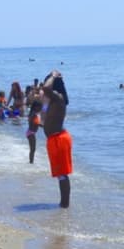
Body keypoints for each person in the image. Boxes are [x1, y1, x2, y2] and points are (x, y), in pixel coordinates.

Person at [40, 71, 71, 208]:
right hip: (54, 139)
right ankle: (63, 203)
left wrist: (52, 76)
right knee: (60, 174)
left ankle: (65, 204)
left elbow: (45, 88)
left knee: (62, 174)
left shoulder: (59, 97)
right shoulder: (54, 100)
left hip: (59, 139)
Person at [25, 98, 42, 164]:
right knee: (33, 149)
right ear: (36, 107)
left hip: (30, 132)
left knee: (32, 149)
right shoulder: (34, 114)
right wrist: (43, 126)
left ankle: (31, 162)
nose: (41, 108)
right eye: (40, 107)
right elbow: (35, 123)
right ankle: (31, 162)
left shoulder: (33, 113)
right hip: (31, 133)